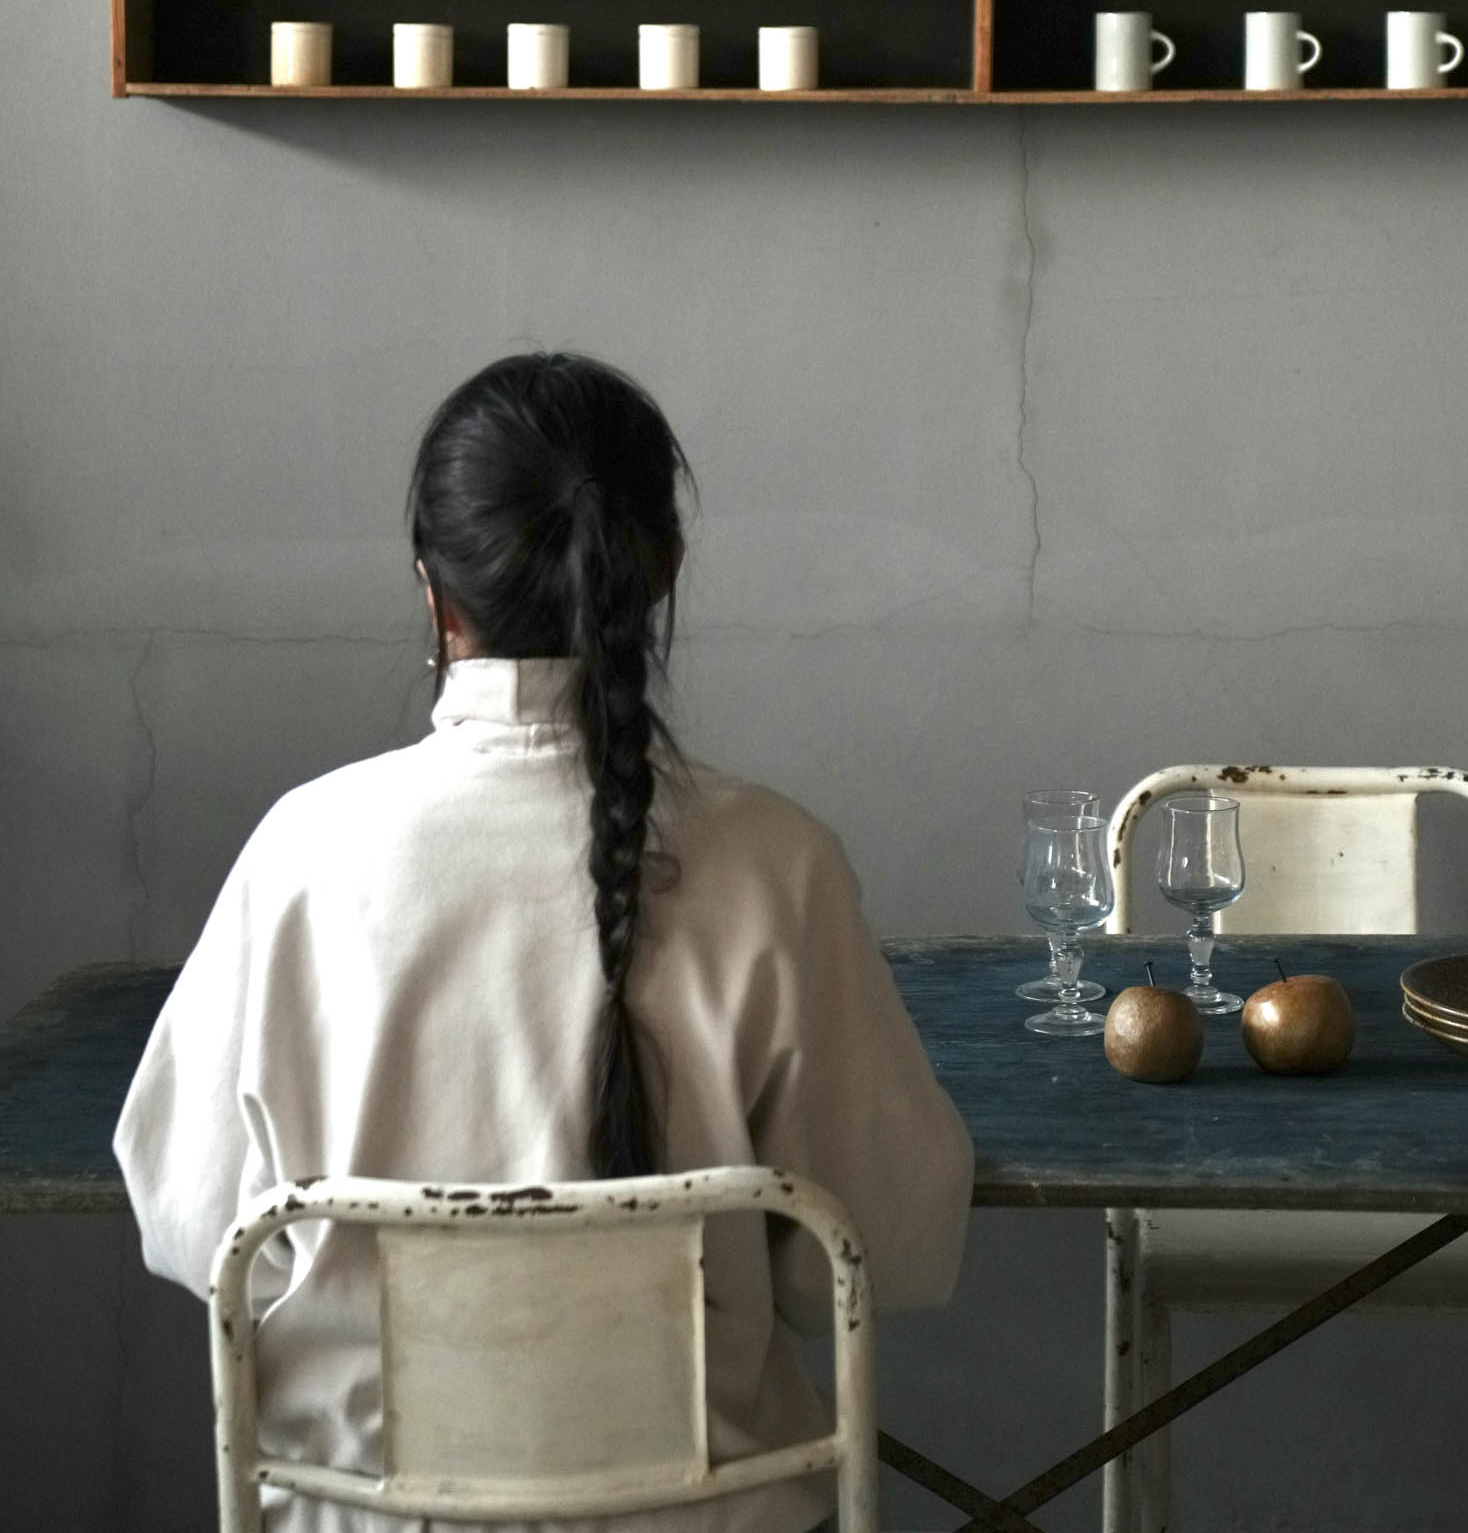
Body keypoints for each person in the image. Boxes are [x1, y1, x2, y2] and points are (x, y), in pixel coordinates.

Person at [115, 351, 973, 1533]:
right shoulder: (780, 861)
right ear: (662, 572)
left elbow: (195, 1224)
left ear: (433, 593)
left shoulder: (302, 855)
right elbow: (889, 1244)